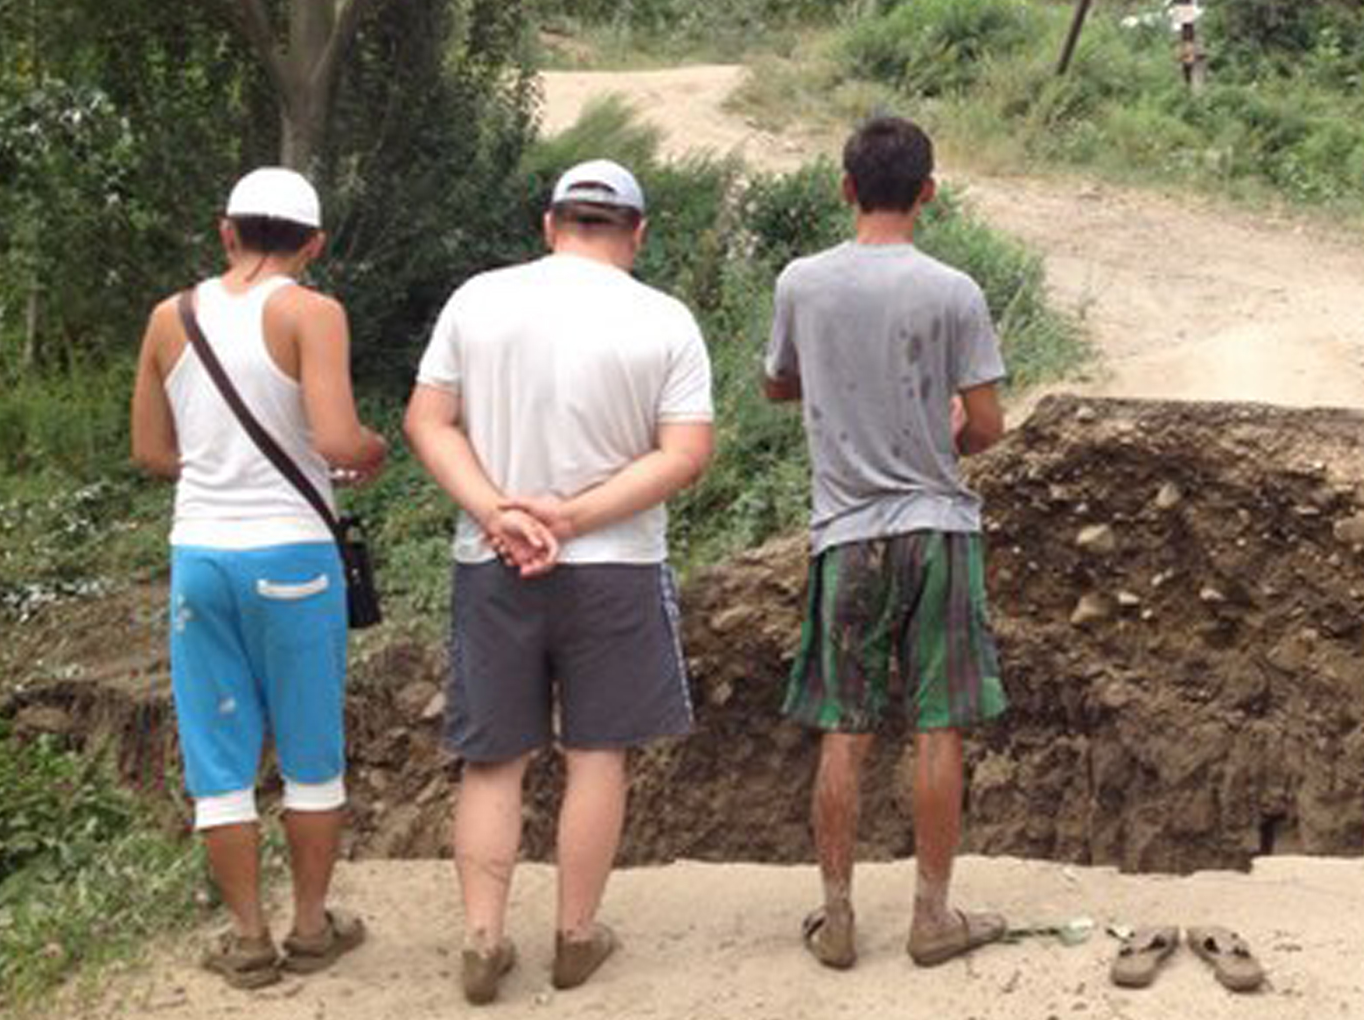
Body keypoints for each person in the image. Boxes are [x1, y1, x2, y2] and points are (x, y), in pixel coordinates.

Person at [404, 159, 715, 1005]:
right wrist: (570, 519)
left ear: (549, 224)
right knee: (596, 753)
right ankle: (575, 936)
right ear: (637, 233)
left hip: (493, 561)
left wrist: (496, 511)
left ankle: (481, 940)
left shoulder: (478, 299)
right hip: (616, 567)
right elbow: (685, 453)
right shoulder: (664, 320)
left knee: (491, 760)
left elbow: (427, 421)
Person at [763, 116, 1012, 971]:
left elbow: (777, 383)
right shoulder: (954, 292)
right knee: (937, 727)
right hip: (938, 530)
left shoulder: (802, 282)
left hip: (846, 534)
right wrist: (948, 423)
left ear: (845, 188)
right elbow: (987, 427)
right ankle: (931, 917)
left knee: (844, 727)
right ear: (927, 192)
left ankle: (837, 918)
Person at [130, 166, 387, 989]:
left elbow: (152, 452)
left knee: (218, 757)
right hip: (292, 558)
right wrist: (375, 451)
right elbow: (338, 442)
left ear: (226, 231)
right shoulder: (312, 313)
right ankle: (310, 929)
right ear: (314, 244)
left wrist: (219, 469)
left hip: (200, 558)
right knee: (310, 751)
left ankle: (247, 940)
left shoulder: (169, 317)